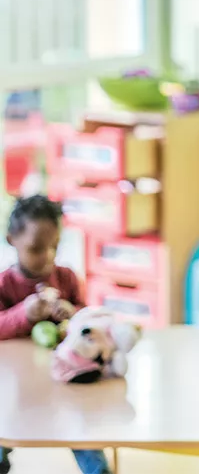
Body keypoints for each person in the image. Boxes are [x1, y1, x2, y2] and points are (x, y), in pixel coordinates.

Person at [0, 195, 112, 474]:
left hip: (66, 386)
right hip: (13, 391)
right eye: (37, 248)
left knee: (87, 445)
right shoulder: (4, 285)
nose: (47, 256)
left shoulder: (67, 279)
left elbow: (91, 324)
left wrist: (72, 314)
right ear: (12, 239)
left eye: (54, 247)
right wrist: (24, 313)